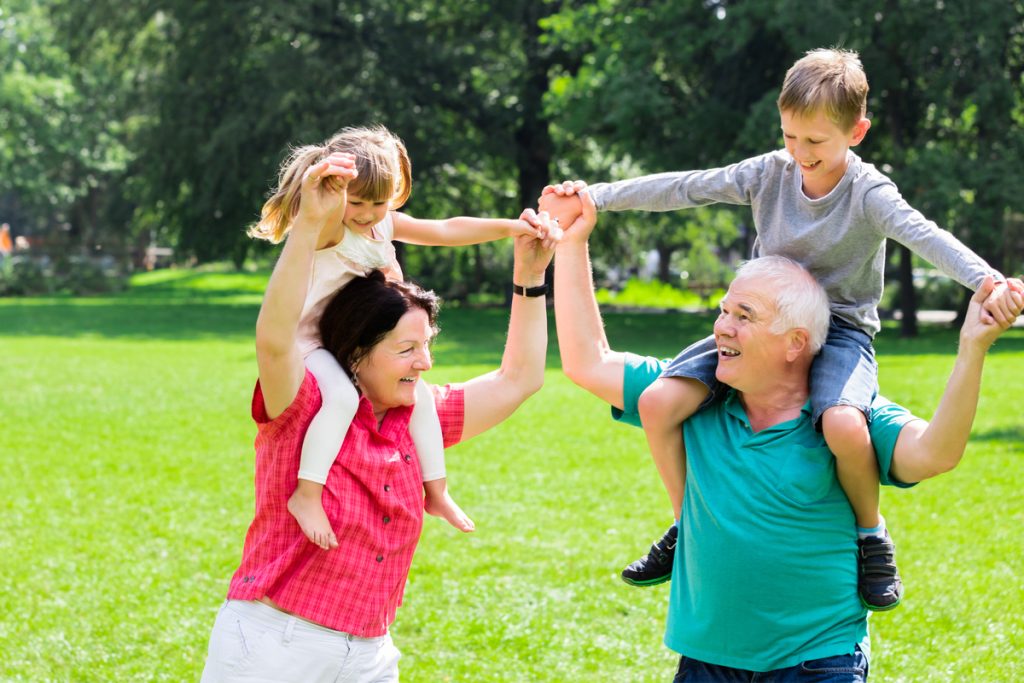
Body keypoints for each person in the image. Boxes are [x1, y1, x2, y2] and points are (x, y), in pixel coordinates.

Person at [540, 48, 1024, 606]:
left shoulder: (870, 194)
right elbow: (686, 187)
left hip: (838, 329)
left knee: (843, 426)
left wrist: (988, 281)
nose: (800, 153)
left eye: (815, 141)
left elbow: (925, 235)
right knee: (657, 403)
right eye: (791, 136)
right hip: (762, 319)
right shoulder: (769, 173)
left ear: (857, 132)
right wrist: (595, 196)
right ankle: (687, 523)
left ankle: (871, 534)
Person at [553, 193, 1021, 680]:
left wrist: (972, 348)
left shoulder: (846, 416)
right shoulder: (693, 397)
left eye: (744, 317)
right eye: (723, 311)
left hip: (818, 661)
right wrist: (572, 242)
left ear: (795, 342)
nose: (721, 330)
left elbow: (935, 454)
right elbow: (587, 362)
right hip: (708, 660)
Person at [199, 152, 562, 682]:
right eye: (406, 349)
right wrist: (307, 226)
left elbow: (520, 379)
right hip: (274, 647)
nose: (425, 362)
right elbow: (274, 340)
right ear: (357, 352)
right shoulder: (303, 405)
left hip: (369, 656)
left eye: (427, 345)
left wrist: (529, 276)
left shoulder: (419, 417)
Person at [249, 126, 545, 550]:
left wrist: (513, 227)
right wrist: (324, 205)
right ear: (338, 192)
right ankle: (307, 493)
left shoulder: (382, 224)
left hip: (352, 344)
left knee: (418, 398)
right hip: (311, 345)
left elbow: (445, 229)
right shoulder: (331, 228)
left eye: (378, 202)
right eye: (357, 202)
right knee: (342, 399)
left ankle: (437, 491)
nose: (368, 214)